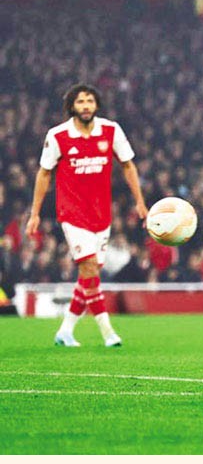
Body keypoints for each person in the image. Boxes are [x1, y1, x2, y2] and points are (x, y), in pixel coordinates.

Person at [26, 84, 148, 347]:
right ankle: (108, 332)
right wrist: (35, 213)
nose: (85, 106)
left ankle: (65, 331)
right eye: (80, 101)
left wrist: (140, 201)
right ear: (72, 106)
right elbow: (44, 173)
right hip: (72, 213)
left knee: (88, 276)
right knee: (90, 268)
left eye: (90, 101)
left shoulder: (111, 131)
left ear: (96, 105)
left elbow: (128, 165)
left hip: (101, 215)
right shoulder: (58, 136)